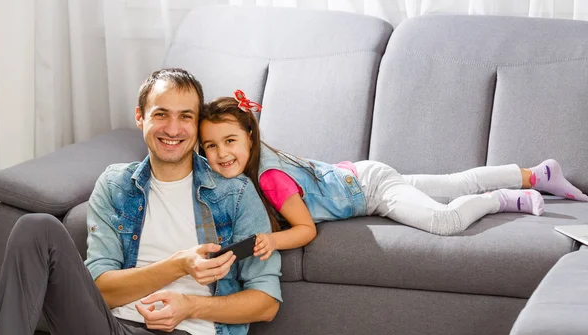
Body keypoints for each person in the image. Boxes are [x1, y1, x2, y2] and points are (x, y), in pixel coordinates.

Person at [0, 69, 282, 335]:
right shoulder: (116, 185)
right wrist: (178, 266)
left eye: (185, 117)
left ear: (197, 124)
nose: (173, 129)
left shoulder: (236, 194)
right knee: (36, 228)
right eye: (161, 114)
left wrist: (189, 306)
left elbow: (266, 303)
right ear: (140, 117)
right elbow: (101, 291)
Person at [199, 91, 588, 260]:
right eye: (211, 146)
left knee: (446, 219)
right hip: (361, 176)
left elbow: (305, 230)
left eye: (229, 140)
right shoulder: (251, 160)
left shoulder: (269, 178)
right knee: (454, 183)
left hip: (371, 190)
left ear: (250, 135)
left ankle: (505, 198)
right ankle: (536, 175)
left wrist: (269, 239)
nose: (221, 154)